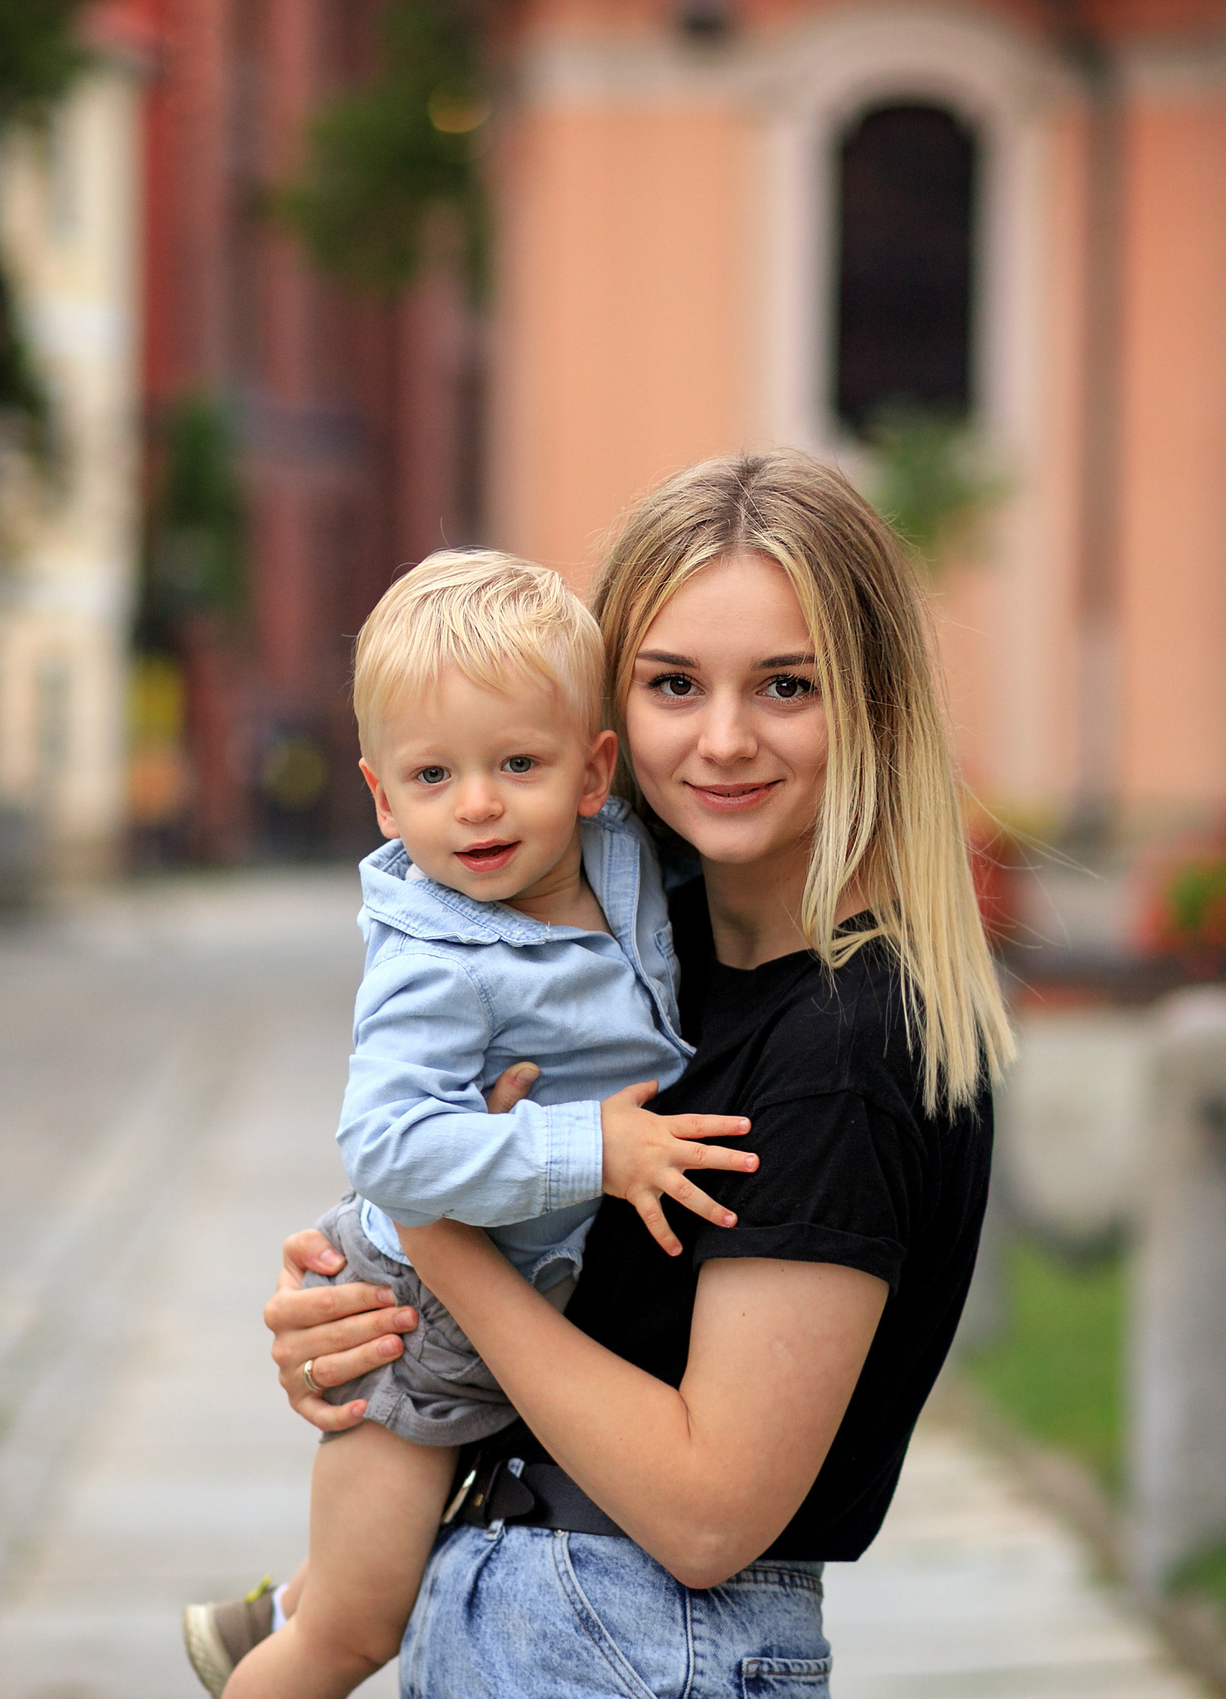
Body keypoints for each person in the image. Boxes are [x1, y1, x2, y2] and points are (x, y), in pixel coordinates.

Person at [246, 450, 1013, 1696]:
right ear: (608, 726)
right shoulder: (655, 972)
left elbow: (711, 1515)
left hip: (634, 1642)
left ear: (873, 704)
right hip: (521, 1602)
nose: (722, 738)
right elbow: (563, 1307)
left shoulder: (845, 1043)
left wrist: (435, 1239)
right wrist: (363, 1317)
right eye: (672, 683)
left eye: (784, 685)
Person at [182, 550, 763, 1699]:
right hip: (420, 1317)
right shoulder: (436, 960)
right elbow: (387, 1149)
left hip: (519, 1291)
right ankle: (285, 1632)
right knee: (355, 1633)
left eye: (517, 763)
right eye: (434, 776)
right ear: (383, 797)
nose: (480, 804)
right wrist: (594, 1149)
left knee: (361, 1572)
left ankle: (278, 1606)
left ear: (595, 770)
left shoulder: (621, 859)